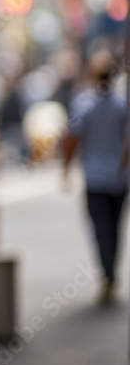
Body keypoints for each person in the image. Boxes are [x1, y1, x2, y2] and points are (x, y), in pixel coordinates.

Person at [62, 52, 128, 304]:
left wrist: (66, 168)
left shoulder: (84, 103)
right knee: (114, 227)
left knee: (102, 228)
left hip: (96, 178)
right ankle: (110, 273)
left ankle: (108, 274)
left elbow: (72, 138)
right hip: (118, 178)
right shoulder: (121, 103)